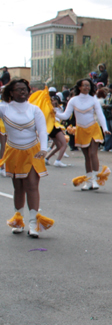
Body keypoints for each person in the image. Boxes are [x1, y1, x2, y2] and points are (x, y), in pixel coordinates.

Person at [0, 79, 54, 238]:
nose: (22, 91)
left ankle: (33, 223)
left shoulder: (34, 110)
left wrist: (44, 149)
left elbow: (42, 131)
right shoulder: (4, 108)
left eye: (25, 89)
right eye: (18, 89)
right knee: (18, 187)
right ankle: (18, 220)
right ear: (11, 92)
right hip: (13, 151)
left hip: (33, 151)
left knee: (32, 185)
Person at [55, 78, 111, 190]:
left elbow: (100, 115)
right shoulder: (73, 100)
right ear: (79, 87)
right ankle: (89, 181)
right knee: (87, 157)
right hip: (81, 130)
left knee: (93, 154)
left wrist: (105, 128)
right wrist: (54, 112)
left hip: (93, 128)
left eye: (88, 85)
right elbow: (65, 116)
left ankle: (95, 179)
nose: (87, 87)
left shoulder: (93, 99)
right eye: (84, 85)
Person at [43, 91, 69, 167]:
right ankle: (58, 161)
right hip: (54, 127)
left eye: (55, 100)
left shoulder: (59, 108)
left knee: (59, 146)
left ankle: (46, 158)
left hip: (55, 127)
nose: (54, 101)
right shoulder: (49, 108)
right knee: (64, 144)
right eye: (52, 100)